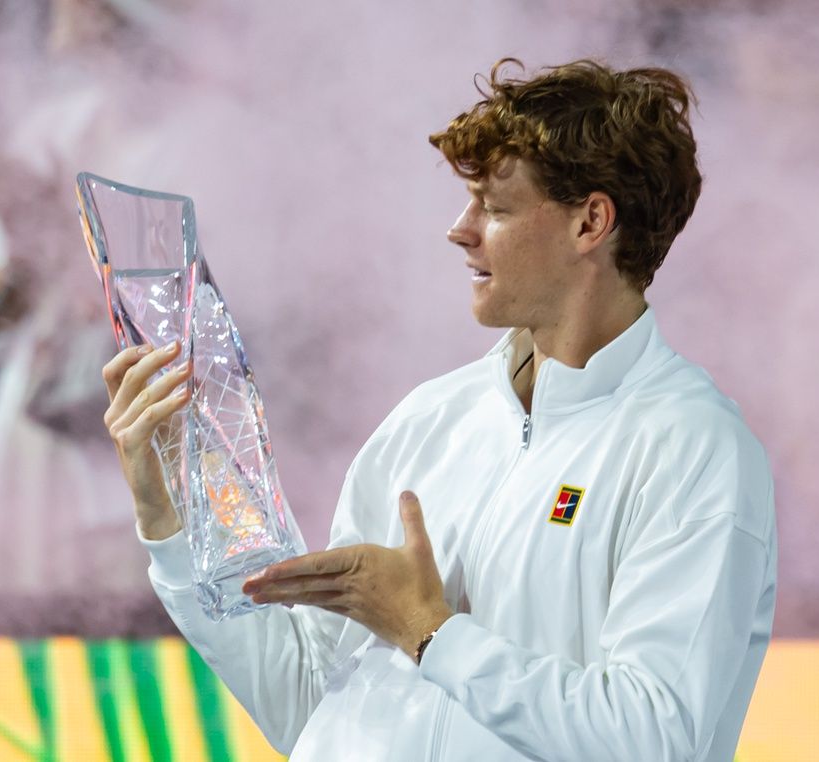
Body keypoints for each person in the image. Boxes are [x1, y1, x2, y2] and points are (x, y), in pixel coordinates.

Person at [101, 59, 777, 761]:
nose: (461, 229)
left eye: (495, 206)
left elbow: (652, 737)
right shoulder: (429, 420)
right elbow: (308, 703)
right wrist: (168, 517)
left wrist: (431, 633)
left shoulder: (694, 449)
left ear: (591, 222)